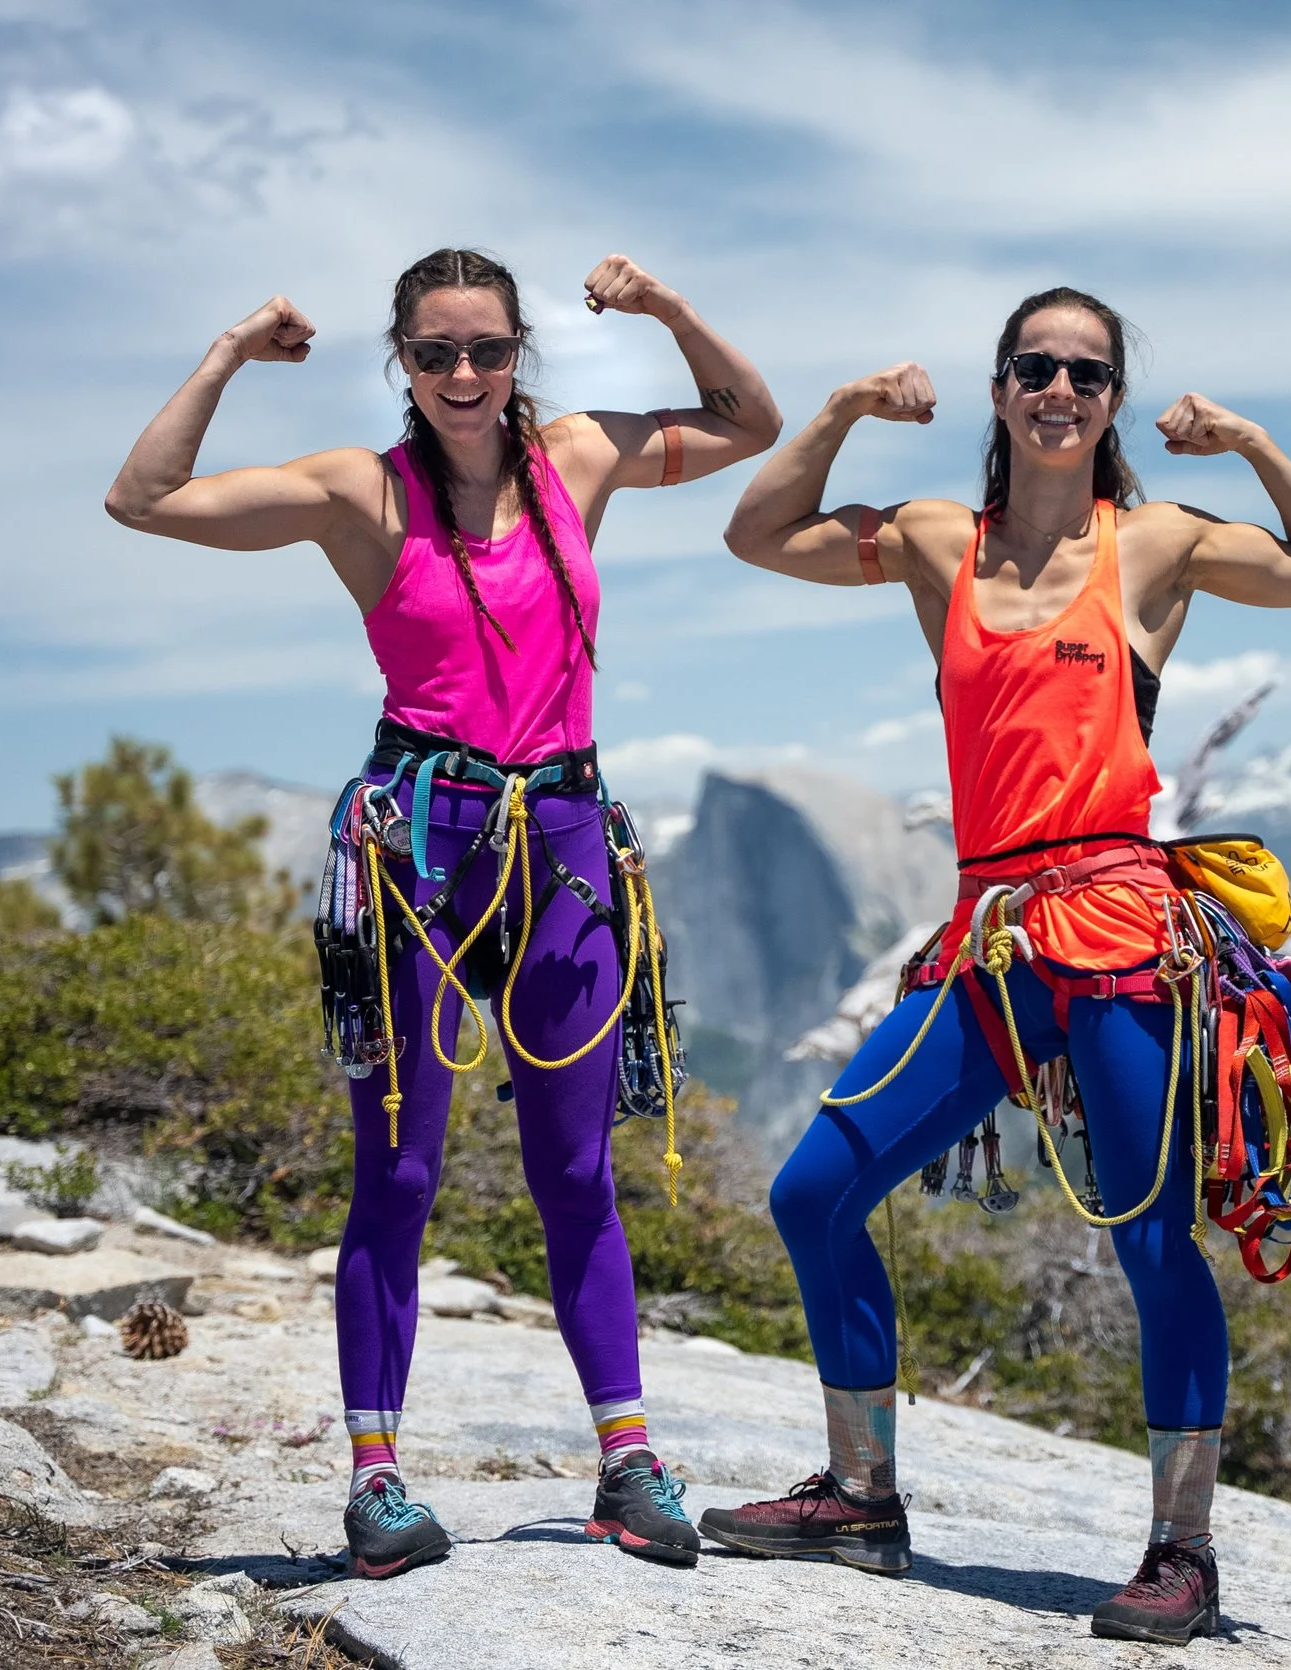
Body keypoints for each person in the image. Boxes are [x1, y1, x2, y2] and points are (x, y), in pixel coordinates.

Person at [709, 287, 1291, 1642]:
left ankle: (1182, 1553)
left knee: (1151, 1235)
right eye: (1035, 367)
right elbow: (757, 533)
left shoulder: (1158, 542)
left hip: (1124, 931)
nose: (1059, 390)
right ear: (1002, 389)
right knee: (815, 1190)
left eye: (1086, 372)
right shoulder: (937, 541)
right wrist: (843, 408)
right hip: (992, 939)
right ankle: (861, 1497)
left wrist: (1249, 441)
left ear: (1113, 398)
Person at [105, 248, 781, 1578]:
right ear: (402, 362)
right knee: (400, 1172)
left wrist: (664, 308)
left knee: (575, 1170)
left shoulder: (580, 457)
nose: (463, 374)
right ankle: (375, 1481)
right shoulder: (361, 494)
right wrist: (231, 350)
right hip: (419, 845)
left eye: (487, 349)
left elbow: (748, 421)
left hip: (564, 843)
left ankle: (627, 1463)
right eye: (434, 353)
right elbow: (144, 497)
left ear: (519, 352)